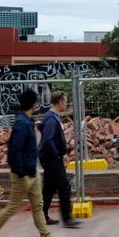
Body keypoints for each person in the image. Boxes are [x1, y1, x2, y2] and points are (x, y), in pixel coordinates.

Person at [0, 89, 68, 237]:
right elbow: (13, 151)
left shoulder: (26, 121)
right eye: (36, 101)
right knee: (12, 207)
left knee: (38, 206)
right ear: (33, 104)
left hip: (31, 172)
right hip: (23, 175)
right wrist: (21, 173)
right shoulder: (21, 123)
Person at [38, 91, 80, 228]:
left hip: (50, 157)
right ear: (59, 102)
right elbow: (47, 140)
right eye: (65, 101)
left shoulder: (52, 117)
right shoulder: (51, 118)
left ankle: (42, 216)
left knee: (49, 188)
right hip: (51, 159)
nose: (66, 104)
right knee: (64, 187)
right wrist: (58, 155)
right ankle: (67, 219)